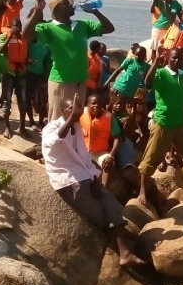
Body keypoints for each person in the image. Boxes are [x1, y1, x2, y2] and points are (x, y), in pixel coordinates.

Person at [41, 94, 147, 268]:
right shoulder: (52, 128)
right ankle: (122, 246)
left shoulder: (76, 127)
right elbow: (56, 140)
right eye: (72, 109)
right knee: (100, 214)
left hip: (83, 174)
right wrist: (73, 118)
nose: (76, 112)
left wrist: (93, 177)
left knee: (109, 200)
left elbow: (83, 157)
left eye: (77, 109)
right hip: (67, 179)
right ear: (62, 111)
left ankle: (125, 252)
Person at [23, 0, 115, 122]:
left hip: (80, 83)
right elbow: (26, 35)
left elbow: (109, 29)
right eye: (66, 3)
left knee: (76, 121)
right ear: (57, 9)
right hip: (61, 82)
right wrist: (38, 10)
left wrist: (95, 11)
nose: (71, 5)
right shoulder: (49, 27)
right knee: (57, 121)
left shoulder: (82, 25)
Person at [138, 48, 183, 195]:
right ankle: (142, 189)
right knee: (151, 156)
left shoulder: (182, 76)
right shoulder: (161, 73)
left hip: (179, 123)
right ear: (168, 59)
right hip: (163, 123)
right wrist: (155, 62)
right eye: (173, 58)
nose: (176, 60)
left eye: (179, 58)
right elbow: (147, 83)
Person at [0, 19, 28, 138]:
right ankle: (7, 127)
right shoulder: (3, 36)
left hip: (21, 73)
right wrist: (10, 36)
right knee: (7, 101)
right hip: (8, 73)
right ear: (9, 26)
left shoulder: (24, 38)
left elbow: (26, 53)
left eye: (20, 26)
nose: (18, 28)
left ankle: (22, 127)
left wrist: (28, 60)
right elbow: (0, 50)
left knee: (23, 101)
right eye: (15, 25)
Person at [25, 31, 50, 131]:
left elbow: (47, 61)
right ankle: (31, 121)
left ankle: (40, 121)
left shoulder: (47, 46)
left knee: (42, 99)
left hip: (40, 74)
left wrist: (45, 75)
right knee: (27, 98)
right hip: (28, 73)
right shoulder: (29, 42)